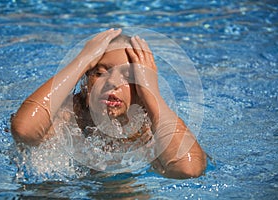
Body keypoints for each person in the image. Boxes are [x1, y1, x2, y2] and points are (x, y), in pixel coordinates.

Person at [11, 28, 206, 179]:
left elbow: (188, 169)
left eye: (129, 77)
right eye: (100, 72)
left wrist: (152, 93)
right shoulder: (69, 114)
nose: (112, 81)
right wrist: (82, 59)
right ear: (86, 82)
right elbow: (24, 130)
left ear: (141, 91)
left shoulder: (149, 129)